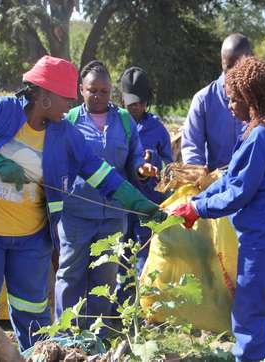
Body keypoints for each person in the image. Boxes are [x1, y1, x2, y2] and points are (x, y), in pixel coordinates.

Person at [0, 55, 165, 361]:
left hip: (31, 240)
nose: (71, 105)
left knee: (34, 318)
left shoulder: (65, 133)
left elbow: (100, 173)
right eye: (66, 98)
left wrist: (140, 204)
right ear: (44, 96)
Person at [173, 57, 265, 362]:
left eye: (233, 99)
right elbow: (230, 178)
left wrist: (197, 210)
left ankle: (249, 357)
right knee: (252, 304)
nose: (229, 105)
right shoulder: (257, 129)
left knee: (248, 311)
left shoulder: (260, 137)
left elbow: (237, 195)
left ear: (250, 99)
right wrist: (196, 200)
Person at [54, 61, 161, 333]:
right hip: (76, 214)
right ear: (81, 90)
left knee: (105, 278)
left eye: (104, 90)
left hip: (114, 215)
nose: (98, 96)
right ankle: (67, 337)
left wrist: (141, 168)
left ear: (111, 91)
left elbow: (135, 155)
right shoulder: (69, 122)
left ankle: (99, 339)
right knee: (70, 276)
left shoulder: (124, 121)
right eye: (92, 90)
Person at [120, 66, 173, 275]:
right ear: (122, 99)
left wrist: (155, 161)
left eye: (142, 102)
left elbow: (168, 167)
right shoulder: (114, 123)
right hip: (119, 206)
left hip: (147, 206)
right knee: (120, 262)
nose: (137, 106)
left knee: (145, 263)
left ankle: (142, 306)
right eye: (132, 102)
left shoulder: (157, 128)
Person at [180, 33, 252, 171]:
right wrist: (198, 176)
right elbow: (192, 148)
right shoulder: (203, 100)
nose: (232, 75)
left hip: (254, 181)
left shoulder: (264, 98)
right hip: (216, 183)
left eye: (238, 68)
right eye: (228, 67)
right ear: (222, 61)